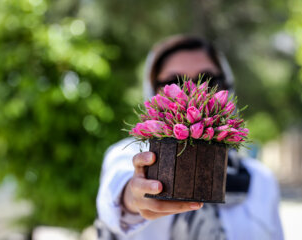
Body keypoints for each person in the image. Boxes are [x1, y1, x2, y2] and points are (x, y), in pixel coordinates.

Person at [96, 35, 284, 240]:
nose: (193, 90)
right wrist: (133, 197)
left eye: (209, 80)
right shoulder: (127, 155)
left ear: (228, 87)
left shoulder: (262, 180)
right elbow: (115, 193)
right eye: (175, 81)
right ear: (152, 90)